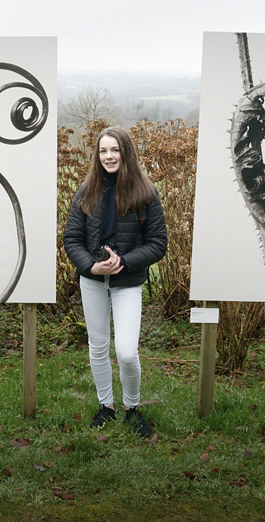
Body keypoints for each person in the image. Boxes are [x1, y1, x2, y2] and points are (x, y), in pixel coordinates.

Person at [63, 127, 167, 436]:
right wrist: (90, 267)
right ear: (97, 155)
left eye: (115, 150)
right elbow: (72, 239)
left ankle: (132, 408)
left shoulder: (145, 194)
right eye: (103, 151)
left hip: (128, 282)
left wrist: (123, 263)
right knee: (97, 346)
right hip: (93, 282)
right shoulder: (86, 191)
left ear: (126, 153)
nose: (109, 156)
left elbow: (158, 243)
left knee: (126, 352)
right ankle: (105, 406)